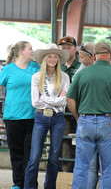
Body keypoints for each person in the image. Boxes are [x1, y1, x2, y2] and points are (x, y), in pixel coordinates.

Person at [66, 42, 111, 189]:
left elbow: (69, 98)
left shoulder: (82, 73)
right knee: (108, 168)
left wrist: (78, 117)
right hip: (108, 122)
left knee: (82, 167)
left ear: (94, 56)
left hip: (85, 121)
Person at [24, 43, 70, 189]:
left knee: (54, 156)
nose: (52, 59)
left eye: (55, 56)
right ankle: (30, 186)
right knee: (35, 156)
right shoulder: (36, 77)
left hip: (58, 118)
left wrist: (46, 99)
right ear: (44, 59)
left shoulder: (64, 77)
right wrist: (56, 101)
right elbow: (35, 102)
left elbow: (65, 101)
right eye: (49, 56)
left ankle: (49, 187)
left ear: (58, 59)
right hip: (41, 117)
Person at [0, 41, 40, 189]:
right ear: (21, 51)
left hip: (32, 117)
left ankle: (30, 183)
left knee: (31, 153)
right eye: (30, 48)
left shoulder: (36, 67)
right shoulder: (8, 69)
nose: (32, 51)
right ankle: (18, 183)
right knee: (16, 152)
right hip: (12, 117)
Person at [58, 36, 81, 171]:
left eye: (69, 48)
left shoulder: (82, 65)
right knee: (65, 138)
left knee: (81, 138)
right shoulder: (57, 65)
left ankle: (79, 170)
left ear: (75, 49)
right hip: (63, 107)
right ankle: (67, 171)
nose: (66, 50)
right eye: (63, 48)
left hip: (80, 106)